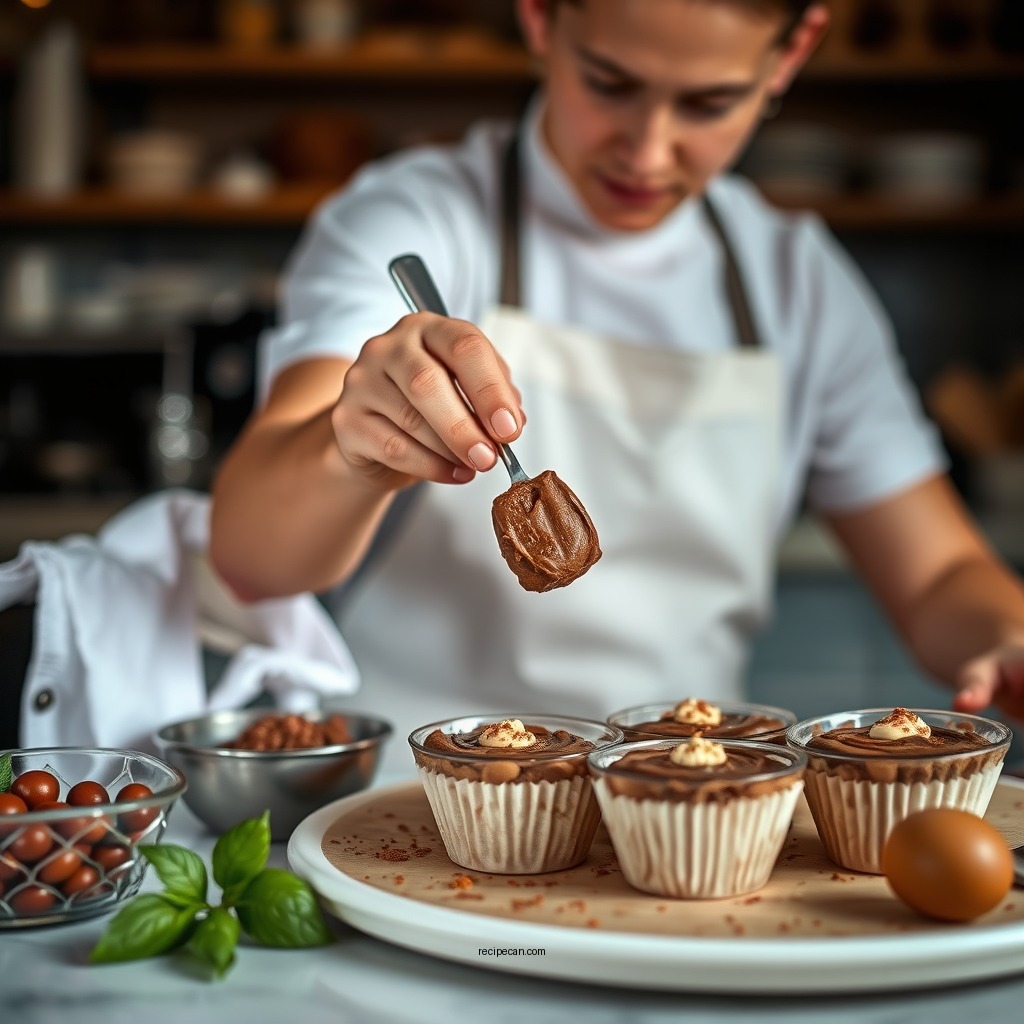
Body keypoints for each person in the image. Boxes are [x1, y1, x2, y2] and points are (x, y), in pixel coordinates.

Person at [209, 0, 1024, 775]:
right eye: (609, 83)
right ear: (539, 17)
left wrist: (1006, 637)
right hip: (415, 807)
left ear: (793, 54)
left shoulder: (797, 282)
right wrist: (352, 453)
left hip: (685, 798)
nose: (647, 150)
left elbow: (938, 575)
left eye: (710, 103)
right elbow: (251, 558)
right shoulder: (414, 219)